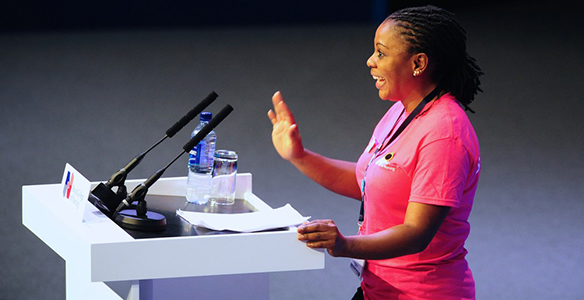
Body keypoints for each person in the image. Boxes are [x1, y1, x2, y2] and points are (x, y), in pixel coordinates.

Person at [267, 5, 483, 300]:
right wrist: (300, 156)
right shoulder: (401, 110)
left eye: (381, 53)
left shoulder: (445, 134)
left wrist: (347, 245)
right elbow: (368, 182)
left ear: (418, 62)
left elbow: (418, 231)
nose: (370, 61)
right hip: (377, 290)